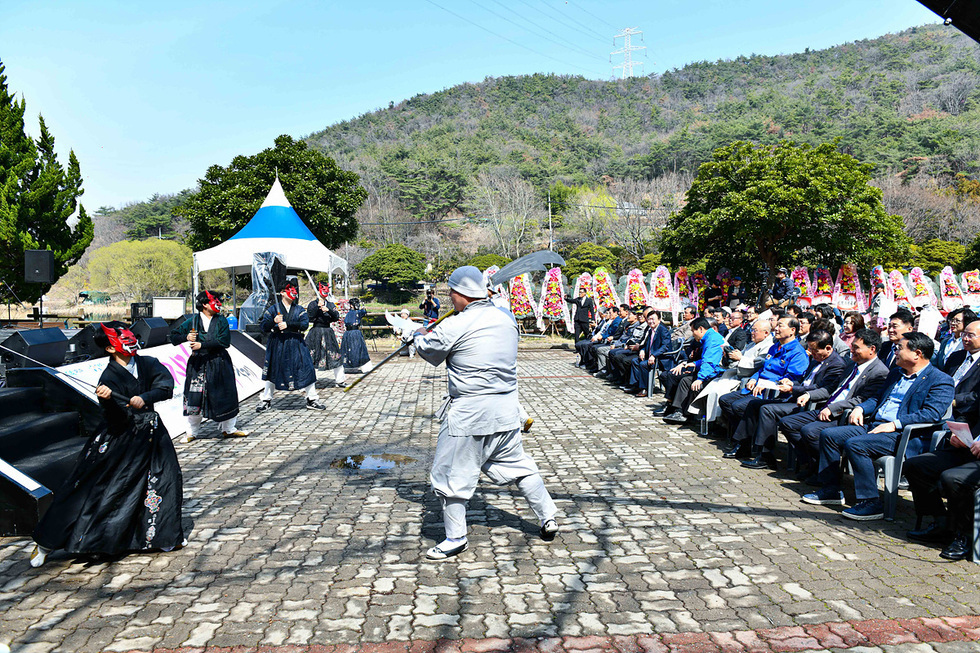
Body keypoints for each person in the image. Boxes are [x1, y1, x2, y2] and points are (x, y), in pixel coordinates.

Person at [413, 266, 558, 560]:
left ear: (459, 293)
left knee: (451, 476)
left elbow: (429, 350)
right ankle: (548, 517)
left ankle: (455, 538)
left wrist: (416, 335)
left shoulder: (454, 325)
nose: (450, 299)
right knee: (519, 465)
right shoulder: (505, 317)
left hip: (470, 414)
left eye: (451, 293)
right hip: (506, 410)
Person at [30, 322, 184, 567]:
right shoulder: (108, 376)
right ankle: (46, 543)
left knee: (163, 479)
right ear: (111, 348)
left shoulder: (148, 363)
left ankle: (163, 536)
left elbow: (165, 387)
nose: (131, 342)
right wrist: (110, 402)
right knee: (89, 488)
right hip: (118, 436)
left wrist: (143, 398)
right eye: (123, 339)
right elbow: (114, 418)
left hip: (151, 433)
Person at [802, 332, 954, 521]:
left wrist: (894, 424)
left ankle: (871, 502)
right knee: (829, 435)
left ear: (917, 353)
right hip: (875, 425)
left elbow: (932, 413)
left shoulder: (940, 380)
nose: (895, 351)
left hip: (902, 434)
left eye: (900, 348)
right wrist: (860, 407)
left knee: (856, 444)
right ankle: (831, 489)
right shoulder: (896, 372)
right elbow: (877, 398)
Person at [778, 329, 889, 479]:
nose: (852, 350)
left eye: (856, 347)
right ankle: (814, 463)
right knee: (788, 423)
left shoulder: (879, 372)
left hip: (842, 414)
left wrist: (833, 408)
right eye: (852, 346)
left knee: (810, 431)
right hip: (827, 407)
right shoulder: (851, 365)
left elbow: (862, 399)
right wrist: (809, 394)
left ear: (872, 349)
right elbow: (831, 389)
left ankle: (826, 472)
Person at [734, 330, 847, 470]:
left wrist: (794, 389)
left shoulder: (836, 364)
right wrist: (791, 383)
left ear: (828, 348)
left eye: (815, 350)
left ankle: (766, 455)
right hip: (796, 396)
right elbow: (805, 381)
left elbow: (823, 389)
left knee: (767, 410)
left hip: (808, 402)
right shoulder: (816, 359)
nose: (811, 353)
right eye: (810, 349)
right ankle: (743, 444)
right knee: (754, 404)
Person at [720, 316, 809, 458]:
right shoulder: (775, 347)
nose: (776, 328)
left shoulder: (797, 353)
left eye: (780, 326)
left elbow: (791, 379)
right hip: (757, 387)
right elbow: (763, 368)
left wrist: (766, 384)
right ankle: (745, 439)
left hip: (773, 393)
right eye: (777, 325)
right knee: (725, 400)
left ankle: (744, 444)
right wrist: (754, 378)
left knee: (741, 406)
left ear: (792, 330)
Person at [169, 291, 246, 442]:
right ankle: (191, 432)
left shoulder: (221, 320)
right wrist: (186, 337)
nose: (218, 303)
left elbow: (224, 341)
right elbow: (173, 337)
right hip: (198, 364)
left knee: (225, 394)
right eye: (214, 300)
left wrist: (201, 344)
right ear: (204, 304)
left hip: (219, 362)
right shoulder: (192, 322)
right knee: (195, 396)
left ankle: (229, 428)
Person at [258, 277, 325, 412]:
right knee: (273, 369)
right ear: (282, 292)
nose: (293, 293)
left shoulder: (299, 309)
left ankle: (312, 398)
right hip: (277, 344)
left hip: (296, 343)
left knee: (307, 368)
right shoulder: (272, 310)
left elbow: (304, 324)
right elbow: (263, 327)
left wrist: (288, 325)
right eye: (289, 290)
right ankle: (266, 400)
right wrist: (274, 321)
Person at [659, 317, 725, 424]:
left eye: (693, 331)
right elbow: (705, 359)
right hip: (710, 371)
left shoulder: (712, 340)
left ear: (701, 329)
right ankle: (675, 408)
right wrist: (693, 363)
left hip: (716, 374)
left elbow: (710, 362)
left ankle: (682, 413)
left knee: (686, 381)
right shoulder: (709, 337)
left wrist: (700, 378)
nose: (692, 334)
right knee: (673, 375)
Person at [306, 281, 346, 387]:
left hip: (328, 332)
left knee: (336, 355)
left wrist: (328, 310)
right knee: (311, 355)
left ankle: (340, 380)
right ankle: (309, 380)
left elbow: (336, 317)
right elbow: (309, 318)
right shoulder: (312, 304)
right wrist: (317, 308)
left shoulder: (330, 304)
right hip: (316, 332)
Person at [625, 310, 670, 397]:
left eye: (653, 319)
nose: (651, 321)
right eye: (649, 319)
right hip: (650, 356)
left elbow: (665, 347)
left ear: (659, 320)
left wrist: (654, 355)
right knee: (635, 361)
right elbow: (647, 344)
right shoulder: (650, 330)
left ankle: (645, 388)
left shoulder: (663, 330)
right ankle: (636, 385)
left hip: (661, 358)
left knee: (643, 364)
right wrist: (642, 350)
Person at [340, 297, 373, 372]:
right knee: (348, 349)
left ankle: (363, 367)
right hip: (348, 333)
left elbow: (364, 312)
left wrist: (362, 307)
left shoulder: (358, 312)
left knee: (359, 349)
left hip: (355, 332)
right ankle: (349, 367)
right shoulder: (350, 313)